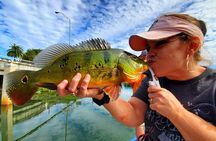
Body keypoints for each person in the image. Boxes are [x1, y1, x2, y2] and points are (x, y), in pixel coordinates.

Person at [57, 13, 216, 141]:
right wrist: (100, 93)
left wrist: (177, 113)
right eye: (148, 47)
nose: (149, 54)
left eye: (159, 43)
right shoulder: (151, 79)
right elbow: (133, 116)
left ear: (192, 45)